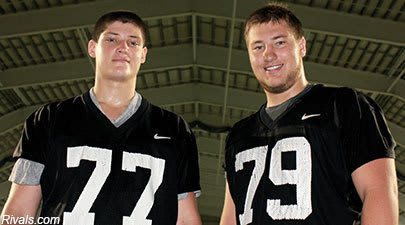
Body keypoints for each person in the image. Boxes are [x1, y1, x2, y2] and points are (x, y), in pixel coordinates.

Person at [1, 11, 201, 225]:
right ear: (92, 48)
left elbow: (186, 218)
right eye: (111, 39)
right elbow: (20, 211)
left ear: (143, 54)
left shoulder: (174, 128)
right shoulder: (49, 120)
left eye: (133, 43)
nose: (123, 47)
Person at [220, 3, 398, 225]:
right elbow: (231, 216)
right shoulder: (239, 135)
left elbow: (378, 190)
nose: (269, 55)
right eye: (258, 47)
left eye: (279, 42)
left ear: (301, 46)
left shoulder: (344, 106)